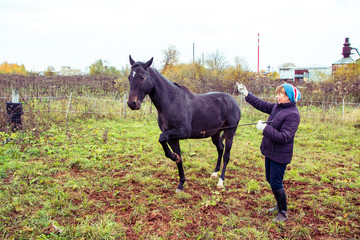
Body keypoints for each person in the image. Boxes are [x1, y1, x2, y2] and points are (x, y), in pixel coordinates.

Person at [236, 82, 301, 222]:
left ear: (288, 97)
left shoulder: (293, 115)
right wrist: (247, 94)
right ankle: (279, 205)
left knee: (276, 182)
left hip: (280, 154)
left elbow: (284, 137)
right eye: (277, 93)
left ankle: (283, 212)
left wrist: (265, 129)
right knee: (270, 179)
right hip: (270, 151)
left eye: (280, 94)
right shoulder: (278, 107)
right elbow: (262, 104)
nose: (277, 96)